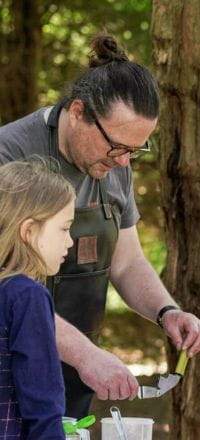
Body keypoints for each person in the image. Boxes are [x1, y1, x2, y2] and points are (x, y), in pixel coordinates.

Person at [0, 34, 200, 418]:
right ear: (78, 112)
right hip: (11, 374)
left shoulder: (113, 166)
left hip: (76, 375)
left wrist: (167, 311)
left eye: (135, 149)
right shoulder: (9, 155)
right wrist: (87, 355)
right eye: (117, 147)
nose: (124, 162)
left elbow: (126, 262)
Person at [0, 159, 76, 439]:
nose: (70, 241)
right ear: (28, 230)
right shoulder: (26, 297)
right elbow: (42, 402)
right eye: (64, 228)